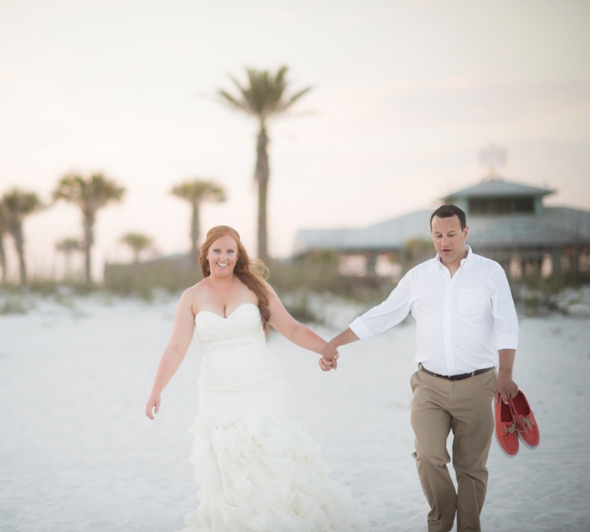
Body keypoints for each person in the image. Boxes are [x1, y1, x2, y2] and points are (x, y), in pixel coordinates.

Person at [146, 225, 367, 531]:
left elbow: (291, 328)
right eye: (218, 251)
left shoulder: (255, 287)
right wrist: (157, 389)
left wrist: (326, 348)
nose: (223, 257)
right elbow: (175, 347)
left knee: (266, 455)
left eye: (230, 251)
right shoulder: (192, 296)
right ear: (206, 253)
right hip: (217, 389)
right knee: (227, 462)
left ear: (238, 256)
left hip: (260, 382)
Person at [319, 204, 519, 532]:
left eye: (451, 234)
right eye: (438, 235)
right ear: (431, 236)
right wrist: (334, 343)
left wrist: (507, 374)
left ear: (465, 233)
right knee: (428, 456)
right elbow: (382, 315)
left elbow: (506, 323)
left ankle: (469, 527)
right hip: (429, 387)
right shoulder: (418, 277)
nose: (445, 241)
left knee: (471, 468)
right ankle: (441, 520)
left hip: (478, 384)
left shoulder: (490, 272)